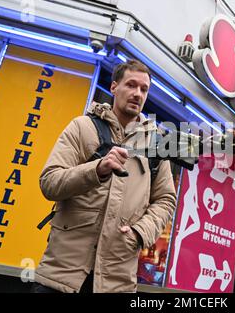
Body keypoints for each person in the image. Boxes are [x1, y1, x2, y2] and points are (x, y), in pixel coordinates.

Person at [31, 59, 177, 293]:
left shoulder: (158, 143)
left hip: (116, 281)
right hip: (62, 276)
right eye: (131, 85)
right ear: (114, 87)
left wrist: (140, 233)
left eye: (143, 89)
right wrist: (96, 169)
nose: (137, 94)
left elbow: (166, 200)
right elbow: (49, 182)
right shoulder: (81, 127)